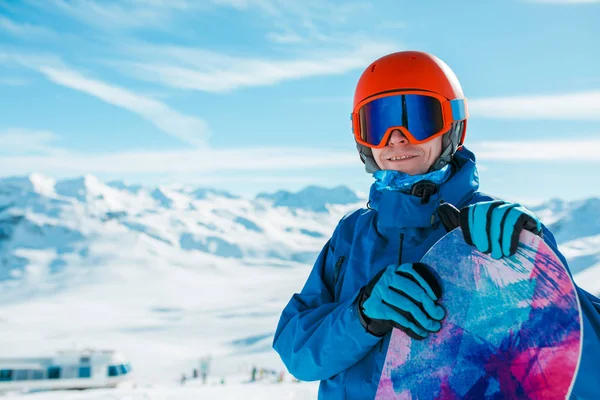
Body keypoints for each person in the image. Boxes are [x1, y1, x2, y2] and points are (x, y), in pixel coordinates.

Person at [272, 51, 600, 399]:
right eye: (378, 123)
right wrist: (361, 317)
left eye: (417, 117)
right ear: (361, 137)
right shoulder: (352, 236)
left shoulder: (492, 233)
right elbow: (298, 354)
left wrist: (536, 267)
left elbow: (577, 367)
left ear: (453, 126)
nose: (396, 138)